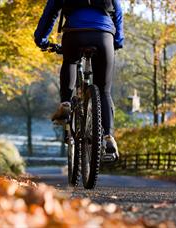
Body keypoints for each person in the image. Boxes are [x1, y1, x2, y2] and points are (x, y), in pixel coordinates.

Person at [34, 0, 124, 161]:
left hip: (74, 34)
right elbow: (118, 13)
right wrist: (117, 41)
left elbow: (50, 13)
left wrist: (41, 39)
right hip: (103, 36)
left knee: (70, 61)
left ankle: (66, 103)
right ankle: (108, 137)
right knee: (103, 90)